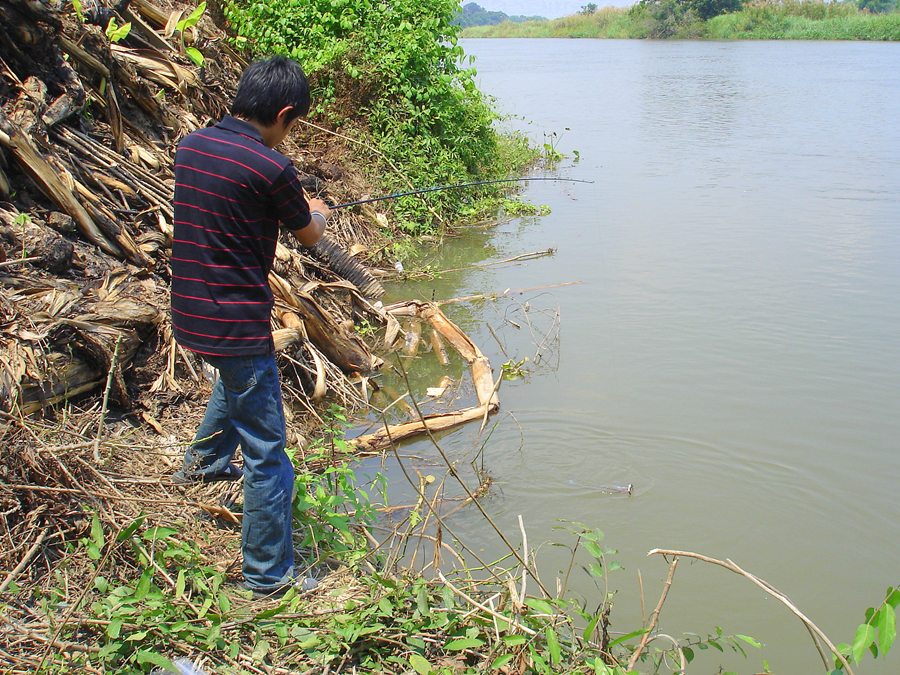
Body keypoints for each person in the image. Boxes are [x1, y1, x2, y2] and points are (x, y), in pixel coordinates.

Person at [169, 56, 330, 597]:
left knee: (236, 379)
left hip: (190, 313)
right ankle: (267, 577)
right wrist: (321, 212)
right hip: (236, 323)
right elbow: (310, 235)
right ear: (283, 114)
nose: (290, 137)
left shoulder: (190, 146)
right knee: (268, 453)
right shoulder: (270, 168)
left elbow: (233, 206)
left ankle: (203, 464)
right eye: (294, 125)